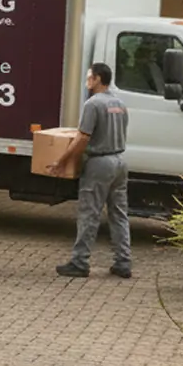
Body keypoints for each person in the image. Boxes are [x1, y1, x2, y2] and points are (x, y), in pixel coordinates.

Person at [52, 63, 133, 279]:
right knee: (119, 214)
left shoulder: (93, 104)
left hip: (99, 164)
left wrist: (64, 161)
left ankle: (80, 262)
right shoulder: (120, 103)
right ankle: (123, 262)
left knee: (89, 214)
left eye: (89, 77)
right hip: (119, 162)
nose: (87, 80)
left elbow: (83, 138)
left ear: (97, 79)